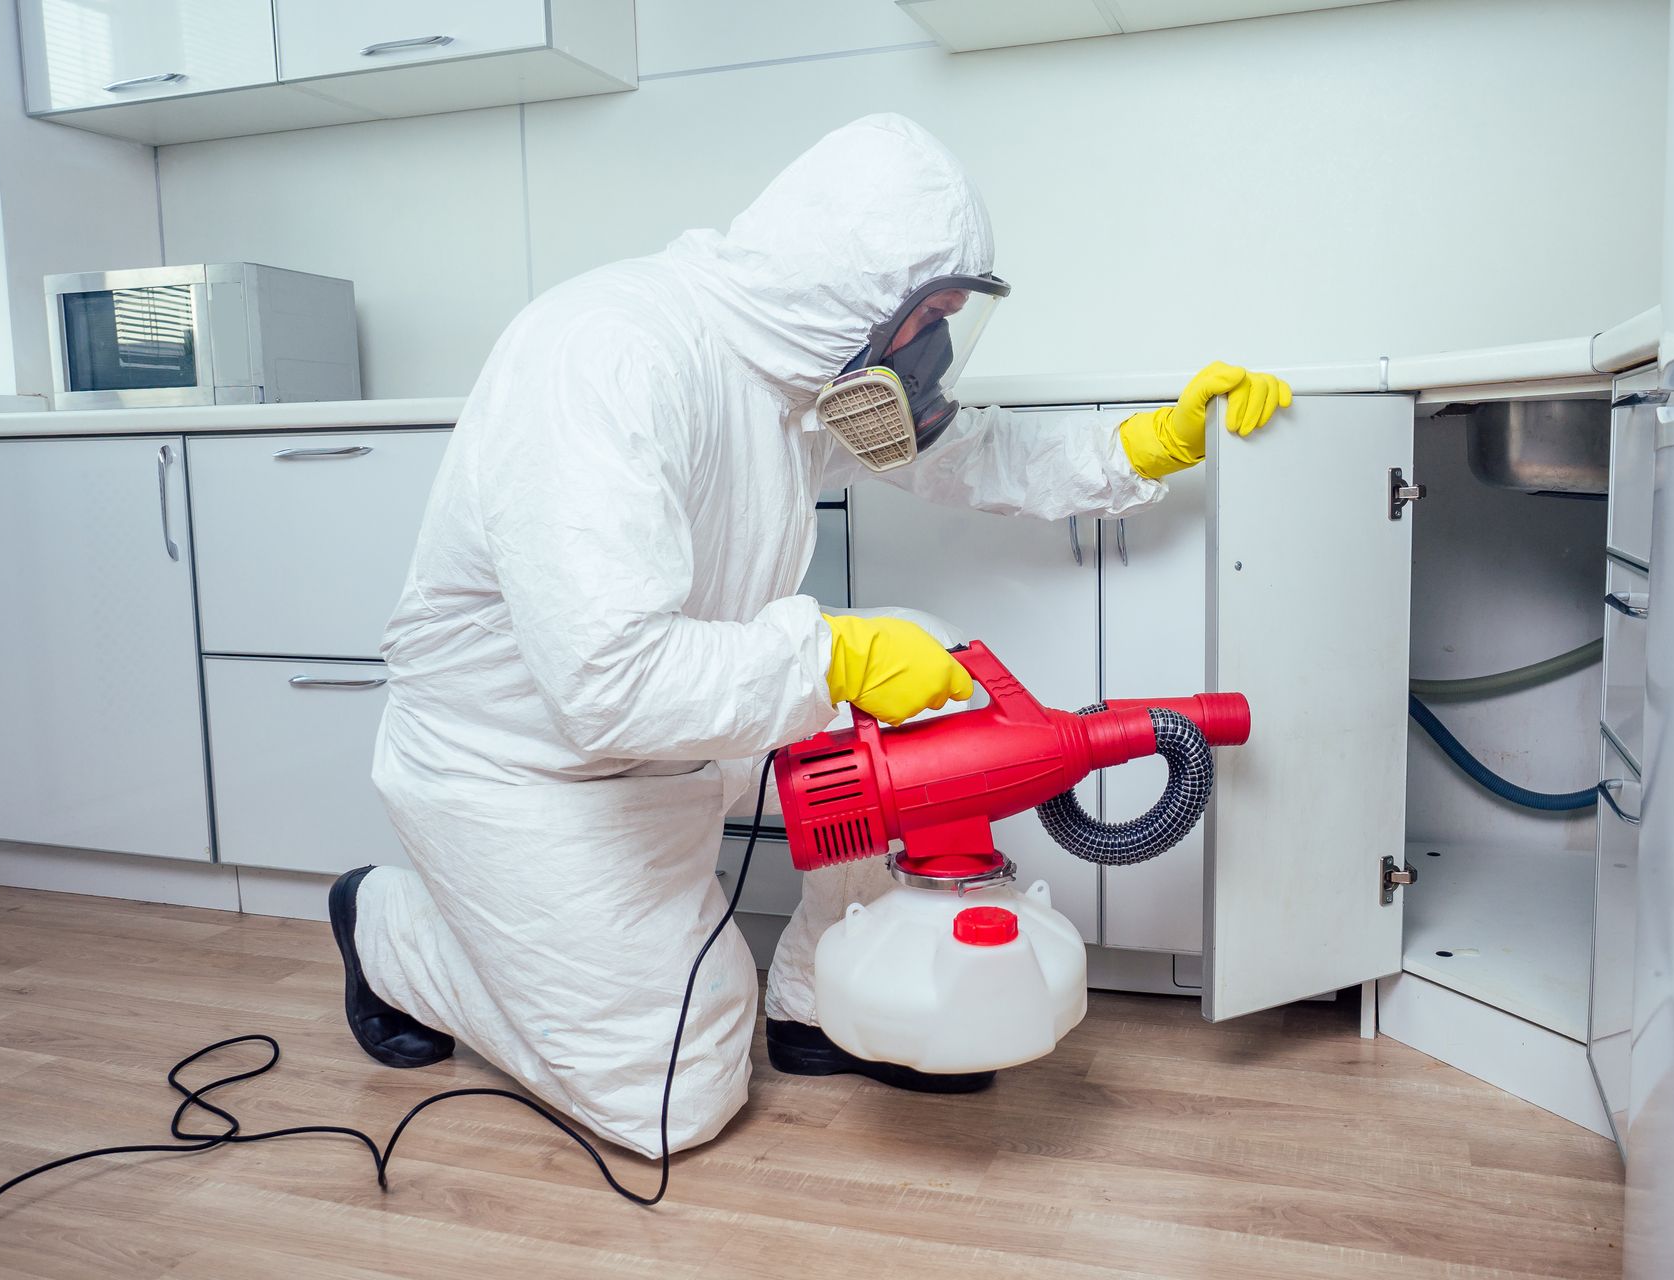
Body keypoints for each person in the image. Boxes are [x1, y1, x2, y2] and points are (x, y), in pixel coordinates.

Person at [326, 113, 1291, 1158]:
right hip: (528, 767)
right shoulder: (607, 359)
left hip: (694, 726)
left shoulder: (794, 372)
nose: (935, 347)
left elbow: (964, 452)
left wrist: (1143, 443)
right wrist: (834, 656)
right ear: (855, 287)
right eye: (931, 315)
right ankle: (391, 930)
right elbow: (602, 680)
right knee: (672, 1095)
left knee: (943, 680)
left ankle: (818, 996)